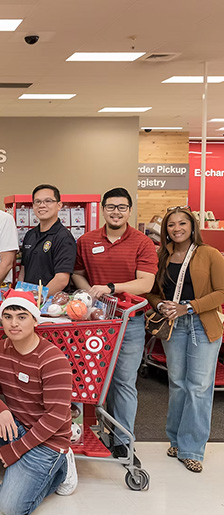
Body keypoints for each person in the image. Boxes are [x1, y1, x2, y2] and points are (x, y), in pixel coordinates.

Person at [0, 291, 77, 512]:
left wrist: (16, 450)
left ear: (35, 321)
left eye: (22, 316)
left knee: (12, 508)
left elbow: (56, 416)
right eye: (8, 316)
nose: (14, 323)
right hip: (16, 427)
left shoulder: (53, 359)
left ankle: (61, 468)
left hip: (48, 442)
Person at [72, 187, 156, 465]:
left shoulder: (142, 242)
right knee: (91, 380)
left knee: (123, 382)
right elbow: (78, 274)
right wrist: (91, 297)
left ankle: (123, 442)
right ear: (103, 209)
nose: (116, 212)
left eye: (122, 207)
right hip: (94, 323)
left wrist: (111, 288)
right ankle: (88, 433)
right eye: (111, 207)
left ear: (129, 210)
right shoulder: (86, 240)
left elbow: (146, 283)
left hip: (128, 323)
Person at [144, 206, 224, 473]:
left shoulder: (209, 254)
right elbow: (152, 293)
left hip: (202, 324)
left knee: (199, 386)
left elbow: (221, 292)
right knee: (177, 383)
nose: (176, 229)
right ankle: (176, 440)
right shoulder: (162, 256)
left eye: (182, 224)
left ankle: (193, 450)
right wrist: (160, 306)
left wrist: (188, 307)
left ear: (192, 227)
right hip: (172, 325)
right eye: (171, 225)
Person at [20, 184, 77, 293]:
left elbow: (61, 280)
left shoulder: (64, 237)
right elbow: (24, 270)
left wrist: (37, 298)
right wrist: (20, 295)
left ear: (59, 205)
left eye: (48, 201)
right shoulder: (29, 235)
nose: (42, 205)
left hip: (51, 304)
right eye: (37, 202)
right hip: (29, 302)